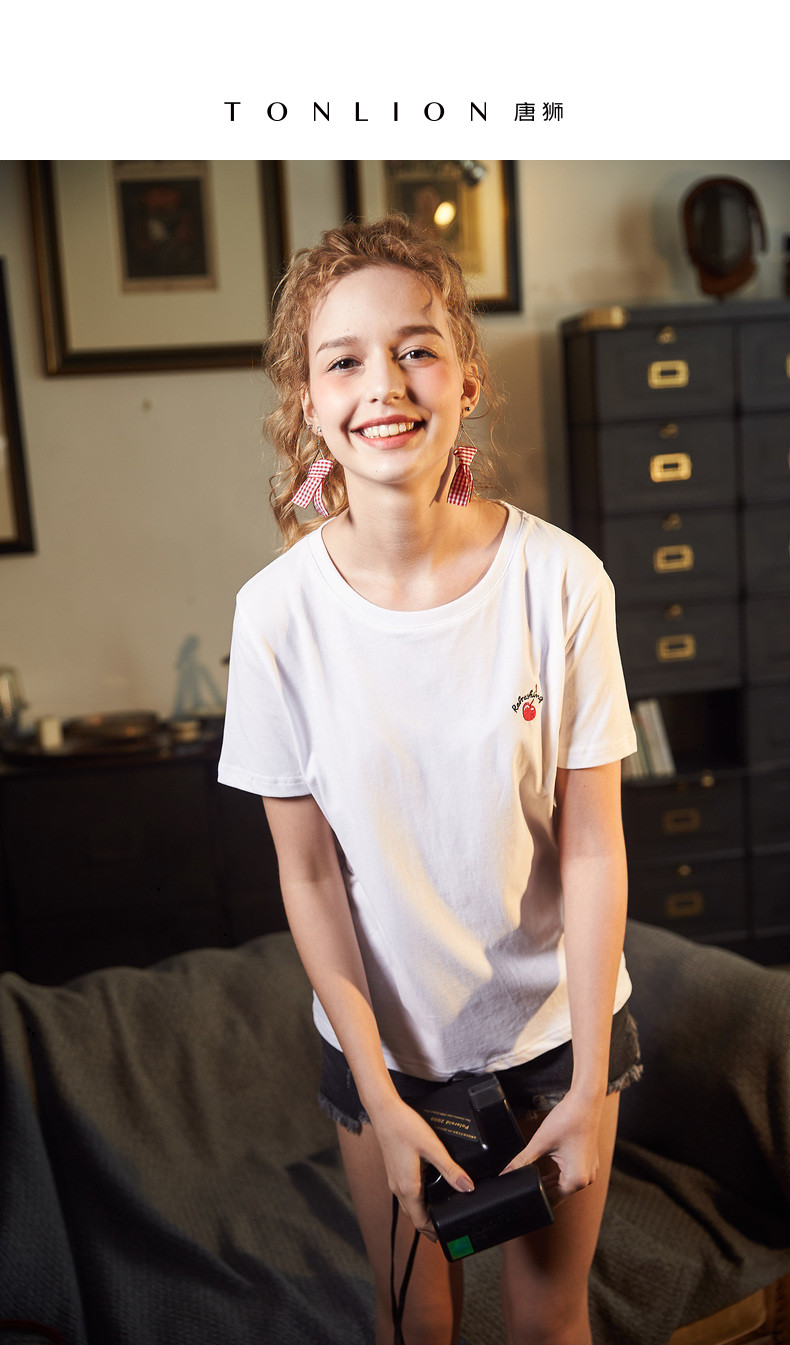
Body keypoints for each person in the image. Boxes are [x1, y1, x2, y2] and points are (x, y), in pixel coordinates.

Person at [218, 215, 641, 1345]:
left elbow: (593, 844)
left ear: (465, 378)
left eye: (416, 348)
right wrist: (377, 1089)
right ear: (308, 403)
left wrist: (589, 1081)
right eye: (343, 359)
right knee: (413, 1322)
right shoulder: (274, 618)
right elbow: (309, 877)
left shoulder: (563, 581)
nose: (384, 384)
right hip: (386, 1053)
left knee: (551, 1321)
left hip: (557, 1036)